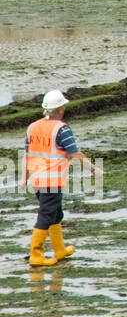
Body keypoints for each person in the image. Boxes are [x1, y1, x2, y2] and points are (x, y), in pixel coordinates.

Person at [19, 91, 101, 266]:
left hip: (37, 179)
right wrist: (94, 169)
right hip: (51, 180)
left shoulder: (32, 127)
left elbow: (27, 154)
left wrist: (23, 178)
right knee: (46, 215)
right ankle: (36, 254)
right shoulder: (61, 129)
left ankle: (59, 249)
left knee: (56, 214)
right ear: (60, 109)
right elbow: (75, 153)